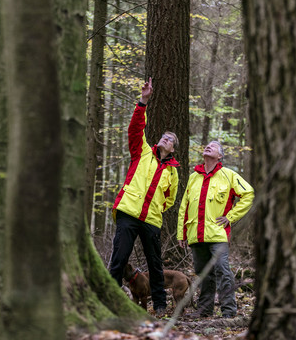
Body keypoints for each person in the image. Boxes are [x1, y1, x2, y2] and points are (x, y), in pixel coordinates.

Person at [109, 77, 179, 317]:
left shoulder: (173, 172)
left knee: (155, 265)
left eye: (170, 140)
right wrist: (143, 101)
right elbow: (135, 128)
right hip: (128, 212)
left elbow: (169, 199)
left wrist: (157, 209)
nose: (165, 139)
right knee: (119, 258)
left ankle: (159, 306)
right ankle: (110, 300)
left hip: (151, 220)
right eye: (164, 136)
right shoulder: (142, 152)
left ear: (172, 149)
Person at [177, 141, 254, 318]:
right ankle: (205, 310)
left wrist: (230, 217)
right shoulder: (193, 177)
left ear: (220, 156)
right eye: (207, 145)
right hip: (196, 234)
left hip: (218, 234)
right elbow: (184, 206)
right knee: (203, 274)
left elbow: (248, 194)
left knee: (222, 270)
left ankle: (229, 311)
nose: (208, 146)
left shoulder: (228, 175)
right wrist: (181, 233)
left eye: (213, 146)